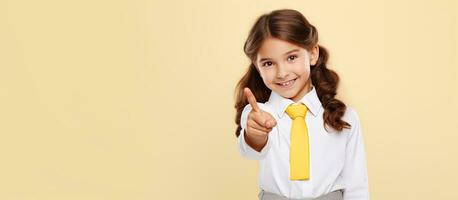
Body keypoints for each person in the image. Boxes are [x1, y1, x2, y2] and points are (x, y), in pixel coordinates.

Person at [233, 9, 369, 200]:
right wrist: (255, 135)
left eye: (291, 58)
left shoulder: (344, 117)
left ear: (313, 53)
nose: (282, 73)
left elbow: (357, 186)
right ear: (257, 67)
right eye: (268, 64)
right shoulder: (260, 114)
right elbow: (251, 148)